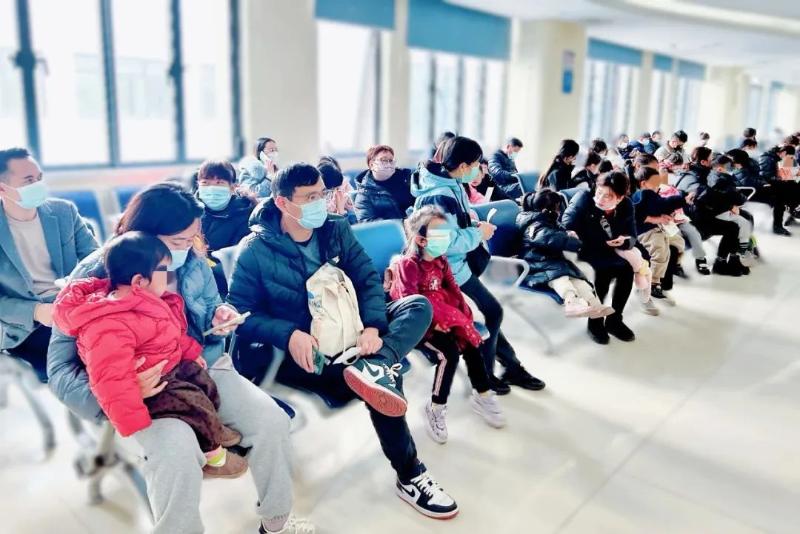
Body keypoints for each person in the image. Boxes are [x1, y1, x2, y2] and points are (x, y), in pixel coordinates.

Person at [47, 182, 311, 534]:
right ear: (144, 234)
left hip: (201, 366)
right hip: (141, 391)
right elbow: (59, 370)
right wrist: (124, 391)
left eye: (192, 239)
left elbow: (210, 307)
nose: (187, 248)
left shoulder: (192, 262)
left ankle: (275, 523)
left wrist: (221, 315)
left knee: (271, 421)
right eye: (178, 242)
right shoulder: (97, 275)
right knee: (175, 452)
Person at [228, 163, 459, 519]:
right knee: (382, 381)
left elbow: (366, 279)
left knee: (416, 306)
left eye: (322, 194)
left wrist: (373, 326)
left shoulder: (335, 228)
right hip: (309, 353)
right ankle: (410, 473)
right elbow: (241, 315)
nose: (320, 202)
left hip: (353, 334)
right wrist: (288, 334)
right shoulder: (255, 250)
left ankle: (378, 363)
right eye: (310, 197)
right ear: (282, 202)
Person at [53, 232, 248, 478]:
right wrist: (133, 421)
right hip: (154, 389)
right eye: (163, 271)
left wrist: (190, 353)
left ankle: (213, 427)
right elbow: (111, 380)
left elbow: (170, 333)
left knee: (204, 384)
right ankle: (214, 457)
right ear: (139, 280)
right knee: (194, 405)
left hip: (170, 368)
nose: (168, 277)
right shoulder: (107, 325)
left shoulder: (149, 301)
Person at [411, 136, 545, 394]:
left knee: (489, 313)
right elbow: (441, 244)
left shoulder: (450, 184)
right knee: (492, 312)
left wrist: (473, 225)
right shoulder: (438, 195)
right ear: (462, 166)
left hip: (458, 265)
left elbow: (454, 224)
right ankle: (487, 373)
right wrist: (477, 234)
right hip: (446, 271)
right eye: (475, 164)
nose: (478, 169)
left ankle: (509, 367)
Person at [388, 206, 506, 443]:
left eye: (447, 233)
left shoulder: (441, 260)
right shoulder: (408, 265)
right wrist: (433, 323)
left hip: (443, 313)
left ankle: (483, 394)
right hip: (417, 322)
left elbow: (452, 289)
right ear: (421, 240)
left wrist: (463, 318)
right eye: (439, 234)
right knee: (449, 355)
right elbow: (408, 301)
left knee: (472, 342)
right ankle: (435, 407)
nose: (445, 239)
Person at [0, 147, 98, 382]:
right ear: (2, 188)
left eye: (39, 178)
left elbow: (97, 260)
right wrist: (37, 311)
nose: (38, 185)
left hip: (77, 306)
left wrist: (82, 296)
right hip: (30, 325)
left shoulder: (64, 212)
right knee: (87, 362)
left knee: (126, 342)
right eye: (29, 180)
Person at [562, 172, 638, 344]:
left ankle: (614, 320)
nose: (601, 198)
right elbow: (566, 222)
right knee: (603, 272)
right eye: (599, 192)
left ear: (620, 198)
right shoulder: (584, 198)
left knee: (627, 270)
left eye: (608, 196)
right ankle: (595, 322)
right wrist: (570, 232)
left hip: (609, 248)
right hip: (584, 248)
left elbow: (632, 234)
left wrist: (625, 241)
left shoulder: (627, 205)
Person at [517, 189, 614, 318]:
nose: (559, 212)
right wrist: (572, 240)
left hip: (551, 261)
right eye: (557, 208)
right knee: (561, 279)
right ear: (546, 210)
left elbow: (559, 231)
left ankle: (594, 304)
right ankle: (571, 304)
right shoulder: (533, 226)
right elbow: (550, 238)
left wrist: (568, 233)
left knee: (578, 280)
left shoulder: (547, 220)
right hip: (536, 264)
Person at [675, 148, 748, 276]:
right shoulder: (693, 177)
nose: (713, 159)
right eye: (711, 158)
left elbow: (719, 194)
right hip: (696, 218)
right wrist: (730, 205)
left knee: (743, 219)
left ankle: (733, 259)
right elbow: (707, 197)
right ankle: (722, 262)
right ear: (703, 162)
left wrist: (731, 204)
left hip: (707, 212)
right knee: (735, 226)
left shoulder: (707, 172)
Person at [194, 159, 256, 298]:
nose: (211, 188)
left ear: (232, 187)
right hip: (194, 282)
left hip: (228, 287)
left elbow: (238, 261)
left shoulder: (245, 215)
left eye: (219, 183)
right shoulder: (191, 213)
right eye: (205, 183)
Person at [632, 167, 690, 305]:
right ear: (643, 183)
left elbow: (659, 207)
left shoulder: (649, 194)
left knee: (678, 242)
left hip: (657, 228)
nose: (658, 185)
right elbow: (661, 205)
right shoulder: (644, 193)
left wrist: (668, 214)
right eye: (655, 182)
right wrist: (682, 198)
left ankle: (672, 271)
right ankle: (653, 283)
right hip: (646, 231)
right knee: (660, 252)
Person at [659, 153, 710, 275]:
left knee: (693, 232)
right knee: (677, 237)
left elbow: (693, 188)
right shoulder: (655, 185)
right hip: (663, 218)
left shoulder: (682, 178)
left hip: (678, 215)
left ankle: (700, 258)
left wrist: (692, 193)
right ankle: (676, 263)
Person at [706, 155, 755, 267]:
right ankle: (737, 253)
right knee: (740, 224)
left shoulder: (716, 177)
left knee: (747, 217)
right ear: (720, 168)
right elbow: (733, 195)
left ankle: (740, 251)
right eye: (729, 167)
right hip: (718, 211)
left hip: (721, 208)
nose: (732, 169)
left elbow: (733, 194)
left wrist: (733, 205)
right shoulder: (722, 180)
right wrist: (732, 206)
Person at [353, 144, 415, 223]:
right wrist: (405, 223)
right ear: (371, 165)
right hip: (394, 229)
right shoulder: (364, 193)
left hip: (418, 225)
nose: (389, 164)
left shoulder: (407, 177)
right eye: (384, 160)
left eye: (391, 160)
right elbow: (367, 223)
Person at [759, 143, 800, 235]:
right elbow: (765, 176)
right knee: (781, 197)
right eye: (788, 156)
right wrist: (782, 177)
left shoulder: (778, 157)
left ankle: (793, 209)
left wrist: (787, 176)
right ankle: (778, 226)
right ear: (784, 152)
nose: (789, 159)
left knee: (794, 186)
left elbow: (787, 174)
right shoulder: (767, 158)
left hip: (775, 183)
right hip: (765, 186)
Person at [317, 157, 357, 224]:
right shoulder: (319, 191)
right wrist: (340, 209)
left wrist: (343, 207)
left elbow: (354, 207)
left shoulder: (342, 183)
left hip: (346, 214)